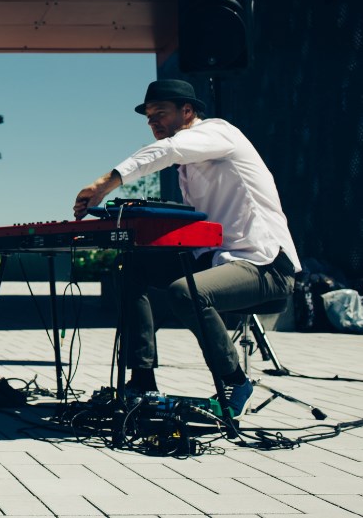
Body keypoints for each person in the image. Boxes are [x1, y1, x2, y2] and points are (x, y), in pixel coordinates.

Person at [73, 79, 300, 416]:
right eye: (148, 117)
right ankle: (142, 380)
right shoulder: (188, 165)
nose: (153, 123)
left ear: (188, 111)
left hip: (266, 265)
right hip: (216, 260)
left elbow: (167, 151)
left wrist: (106, 182)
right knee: (133, 270)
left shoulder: (219, 133)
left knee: (186, 292)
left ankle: (235, 381)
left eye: (160, 114)